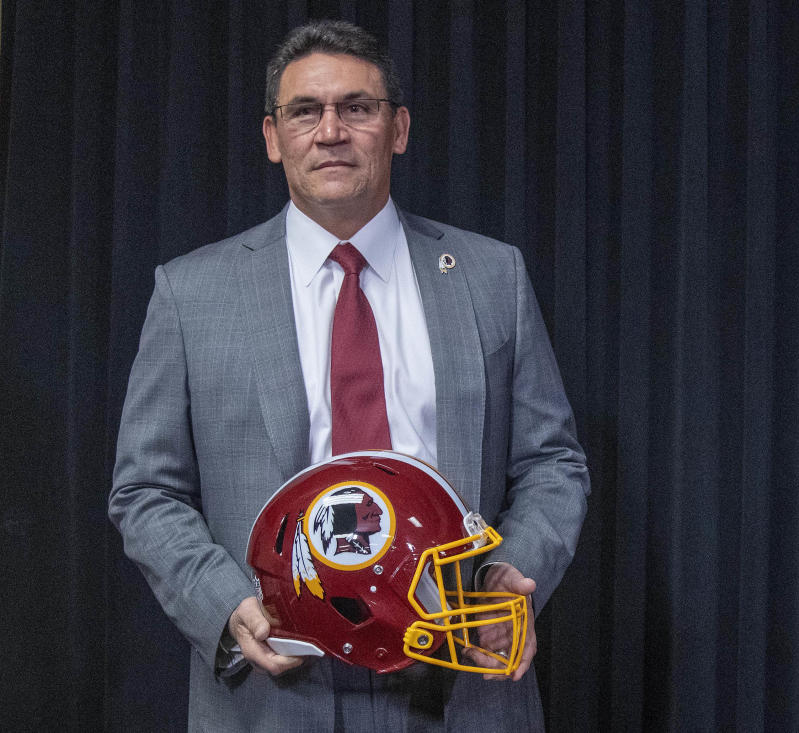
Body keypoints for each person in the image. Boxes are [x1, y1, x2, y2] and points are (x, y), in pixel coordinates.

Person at [109, 19, 588, 732]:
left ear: (397, 129)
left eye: (356, 108)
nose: (330, 131)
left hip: (459, 675)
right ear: (273, 137)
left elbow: (553, 461)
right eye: (305, 111)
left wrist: (507, 581)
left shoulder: (491, 277)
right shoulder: (191, 294)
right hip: (276, 688)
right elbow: (146, 488)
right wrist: (224, 604)